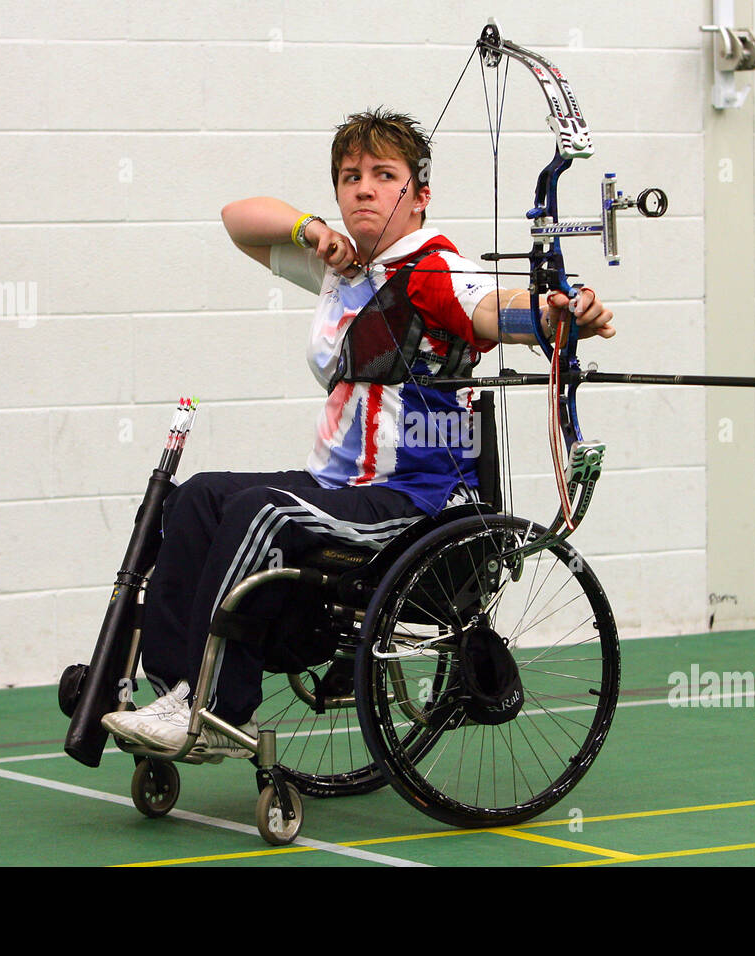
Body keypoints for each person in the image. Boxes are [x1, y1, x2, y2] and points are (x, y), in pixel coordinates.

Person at [102, 108, 614, 757]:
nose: (364, 189)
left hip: (415, 501)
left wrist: (555, 313)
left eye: (384, 175)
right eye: (350, 177)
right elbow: (238, 219)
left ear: (420, 194)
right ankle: (178, 690)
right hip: (341, 487)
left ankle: (214, 710)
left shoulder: (434, 269)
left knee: (258, 512)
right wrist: (311, 229)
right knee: (199, 497)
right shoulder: (344, 272)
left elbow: (492, 309)